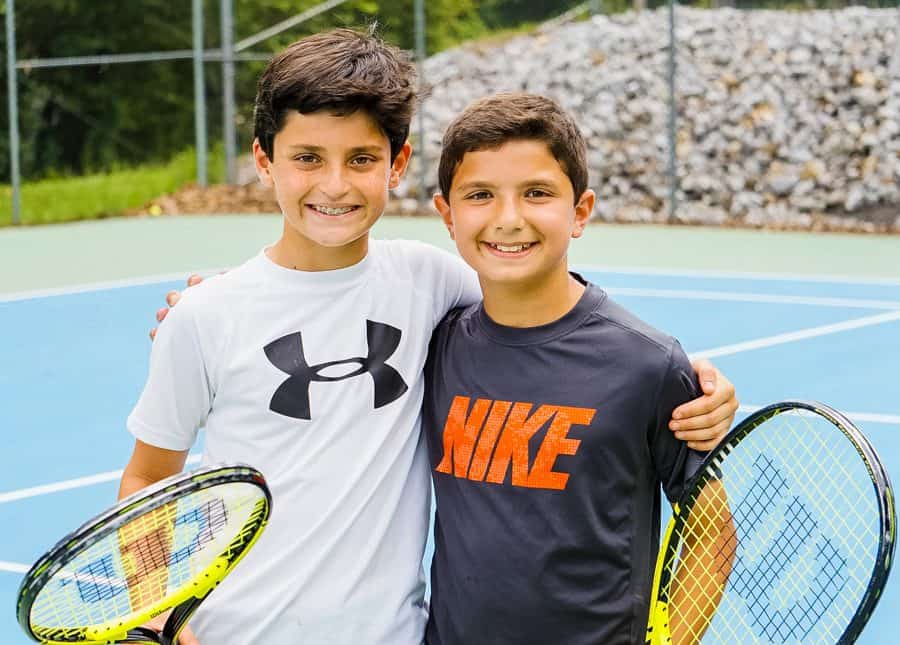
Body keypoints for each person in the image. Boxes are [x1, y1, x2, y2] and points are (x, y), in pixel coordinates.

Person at [135, 28, 737, 645]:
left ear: (396, 166)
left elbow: (557, 320)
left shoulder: (430, 282)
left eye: (362, 159)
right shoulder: (209, 315)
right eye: (307, 157)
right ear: (265, 163)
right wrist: (156, 614)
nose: (335, 184)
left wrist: (693, 377)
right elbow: (146, 481)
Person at [422, 92, 735, 645]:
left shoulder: (648, 364)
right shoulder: (435, 345)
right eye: (480, 195)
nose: (509, 218)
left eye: (537, 193)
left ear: (580, 212)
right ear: (447, 215)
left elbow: (712, 535)